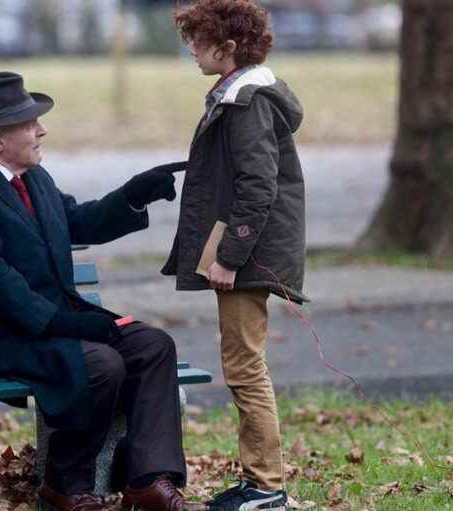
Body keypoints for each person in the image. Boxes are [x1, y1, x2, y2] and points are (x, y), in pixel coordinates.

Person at [0, 71, 199, 511]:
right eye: (29, 123)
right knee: (100, 363)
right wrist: (68, 323)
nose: (41, 130)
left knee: (152, 345)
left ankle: (148, 481)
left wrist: (134, 194)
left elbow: (76, 221)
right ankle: (65, 485)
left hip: (53, 324)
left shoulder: (34, 178)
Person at [162, 1, 310, 510]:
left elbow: (258, 187)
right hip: (246, 250)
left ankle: (267, 488)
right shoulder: (236, 94)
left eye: (197, 41)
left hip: (248, 254)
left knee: (245, 367)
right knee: (243, 363)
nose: (191, 50)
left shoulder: (247, 102)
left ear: (226, 49)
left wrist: (227, 256)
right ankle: (258, 483)